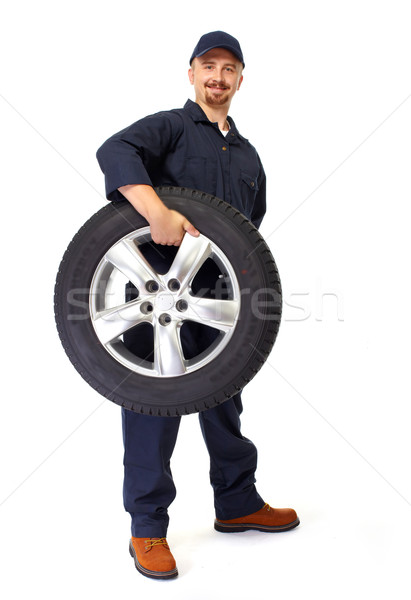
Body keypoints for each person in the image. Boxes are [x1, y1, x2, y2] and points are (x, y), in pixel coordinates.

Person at [96, 31, 299, 580]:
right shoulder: (169, 126)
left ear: (239, 80)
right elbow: (114, 150)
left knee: (225, 403)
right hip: (156, 296)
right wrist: (156, 212)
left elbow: (248, 232)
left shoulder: (249, 155)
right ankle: (147, 530)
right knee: (150, 412)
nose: (218, 77)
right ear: (191, 73)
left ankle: (236, 504)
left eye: (229, 68)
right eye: (208, 66)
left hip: (217, 303)